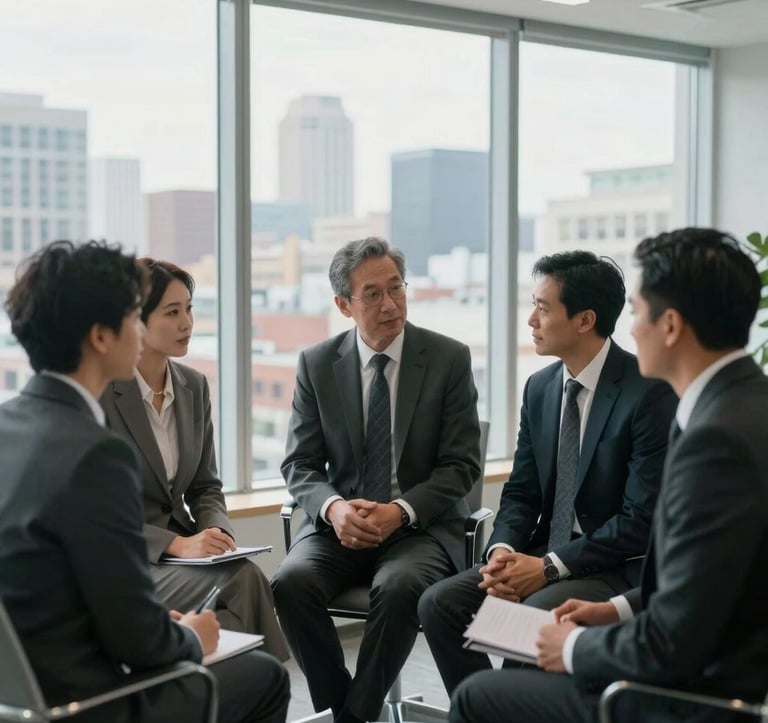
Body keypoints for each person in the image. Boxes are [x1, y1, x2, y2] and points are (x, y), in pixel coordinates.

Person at [450, 227, 768, 723]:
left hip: (700, 698)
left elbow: (671, 642)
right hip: (700, 655)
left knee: (479, 698)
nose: (630, 328)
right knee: (464, 632)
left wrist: (574, 648)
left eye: (637, 312)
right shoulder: (738, 406)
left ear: (670, 326)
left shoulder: (716, 440)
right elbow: (705, 582)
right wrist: (615, 612)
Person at [0, 240, 289, 723]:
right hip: (94, 700)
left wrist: (162, 621)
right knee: (266, 678)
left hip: (26, 693)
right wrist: (191, 636)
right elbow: (143, 642)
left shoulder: (8, 426)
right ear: (100, 337)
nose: (140, 330)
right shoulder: (95, 452)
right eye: (134, 316)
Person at [419, 250, 676, 695]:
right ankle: (489, 707)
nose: (531, 321)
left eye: (542, 307)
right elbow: (521, 494)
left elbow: (639, 522)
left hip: (613, 566)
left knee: (530, 619)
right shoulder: (539, 388)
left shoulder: (648, 392)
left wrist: (548, 569)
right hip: (542, 550)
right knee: (439, 603)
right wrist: (502, 551)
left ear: (584, 319)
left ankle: (498, 704)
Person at [271, 236, 481, 723]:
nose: (390, 305)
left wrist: (399, 512)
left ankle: (354, 718)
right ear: (344, 304)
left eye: (397, 289)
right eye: (372, 294)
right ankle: (350, 707)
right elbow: (299, 464)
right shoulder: (318, 363)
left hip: (421, 527)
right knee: (290, 583)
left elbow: (462, 465)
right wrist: (334, 508)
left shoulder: (448, 358)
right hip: (341, 525)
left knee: (401, 584)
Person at [100, 258, 288, 661]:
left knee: (240, 583)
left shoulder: (193, 385)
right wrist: (177, 545)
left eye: (189, 308)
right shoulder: (102, 394)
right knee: (245, 585)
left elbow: (206, 487)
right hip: (130, 559)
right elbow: (97, 513)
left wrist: (217, 536)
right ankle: (263, 688)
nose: (187, 322)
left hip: (187, 555)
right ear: (137, 321)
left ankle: (228, 692)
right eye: (172, 312)